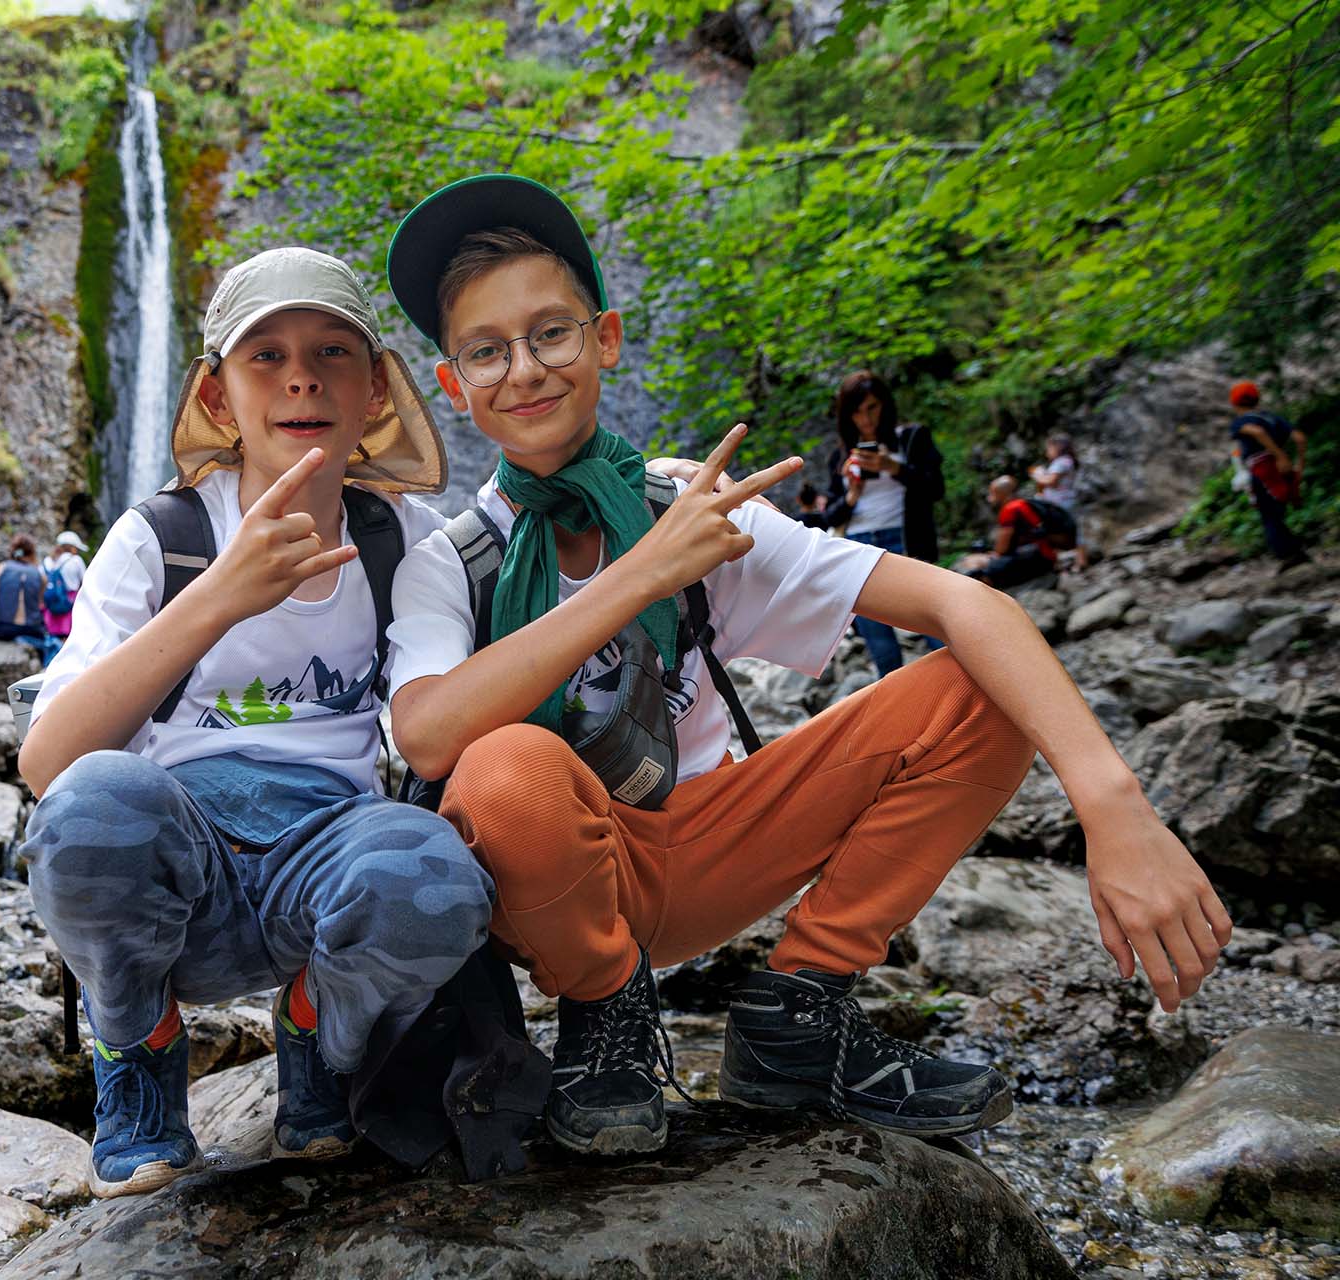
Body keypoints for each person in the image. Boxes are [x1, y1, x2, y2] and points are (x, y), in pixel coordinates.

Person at [382, 174, 1230, 1157]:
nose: (525, 369)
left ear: (605, 339)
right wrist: (641, 576)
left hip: (707, 843)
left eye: (552, 334)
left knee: (984, 688)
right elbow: (428, 735)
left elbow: (969, 604)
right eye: (487, 350)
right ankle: (605, 1013)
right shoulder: (450, 560)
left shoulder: (694, 509)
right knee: (504, 765)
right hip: (547, 886)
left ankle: (800, 1013)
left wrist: (1115, 808)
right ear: (454, 384)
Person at [16, 246, 488, 1199]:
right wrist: (219, 596)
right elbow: (47, 763)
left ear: (375, 392)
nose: (300, 377)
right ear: (218, 396)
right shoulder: (162, 537)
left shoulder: (405, 541)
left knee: (437, 877)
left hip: (329, 870)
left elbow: (443, 708)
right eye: (265, 355)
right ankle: (138, 1049)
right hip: (178, 876)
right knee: (91, 804)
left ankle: (320, 1036)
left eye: (331, 352)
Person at [820, 370, 946, 679]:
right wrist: (852, 493)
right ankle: (900, 706)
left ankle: (968, 694)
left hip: (905, 541)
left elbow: (935, 488)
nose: (865, 419)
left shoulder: (912, 438)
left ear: (884, 405)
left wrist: (894, 467)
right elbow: (829, 517)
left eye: (872, 408)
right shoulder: (840, 456)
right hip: (856, 547)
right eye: (856, 412)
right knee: (881, 645)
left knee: (936, 628)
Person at [1228, 381, 1309, 570]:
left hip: (1263, 470)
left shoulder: (1241, 422)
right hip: (1282, 469)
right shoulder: (1271, 418)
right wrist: (1299, 467)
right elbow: (1300, 438)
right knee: (1277, 512)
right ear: (1257, 399)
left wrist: (1278, 456)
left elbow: (1257, 432)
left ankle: (1289, 554)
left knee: (1269, 514)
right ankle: (1295, 550)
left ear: (1234, 403)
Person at [956, 476, 1064, 590]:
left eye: (993, 493)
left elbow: (1002, 548)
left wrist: (992, 556)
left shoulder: (1010, 510)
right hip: (1044, 555)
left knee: (977, 567)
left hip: (1039, 559)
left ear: (1002, 494)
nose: (989, 498)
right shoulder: (1023, 504)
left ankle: (988, 595)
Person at [1029, 432, 1088, 570]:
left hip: (1063, 504)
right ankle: (1063, 561)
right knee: (1056, 532)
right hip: (1057, 504)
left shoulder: (1063, 461)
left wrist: (1038, 475)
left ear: (1058, 447)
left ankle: (1081, 561)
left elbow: (1051, 481)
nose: (1047, 452)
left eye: (1049, 448)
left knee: (1072, 532)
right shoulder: (1063, 462)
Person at [0, 534, 54, 659]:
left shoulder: (0, 568)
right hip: (31, 629)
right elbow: (40, 603)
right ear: (32, 552)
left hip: (4, 628)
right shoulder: (40, 575)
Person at [41, 532, 88, 644]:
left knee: (54, 635)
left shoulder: (50, 561)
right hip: (70, 600)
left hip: (54, 600)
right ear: (72, 547)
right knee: (68, 635)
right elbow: (85, 581)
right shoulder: (76, 560)